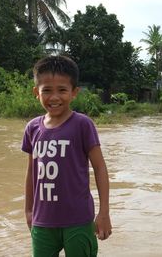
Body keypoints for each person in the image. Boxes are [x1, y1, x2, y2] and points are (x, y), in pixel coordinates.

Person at [21, 55, 112, 256]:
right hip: (42, 220)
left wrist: (104, 212)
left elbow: (100, 167)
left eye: (62, 90)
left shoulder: (82, 125)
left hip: (78, 220)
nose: (54, 97)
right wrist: (28, 211)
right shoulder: (32, 128)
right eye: (47, 90)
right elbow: (31, 173)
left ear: (74, 93)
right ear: (37, 92)